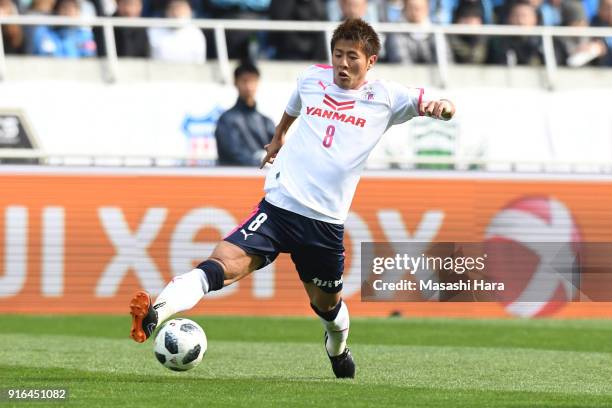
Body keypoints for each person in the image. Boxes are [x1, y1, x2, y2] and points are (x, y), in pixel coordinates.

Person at [129, 18, 455, 379]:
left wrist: (441, 107)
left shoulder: (387, 97)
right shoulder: (312, 78)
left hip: (324, 223)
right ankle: (157, 311)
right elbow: (294, 105)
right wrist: (278, 136)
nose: (343, 64)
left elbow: (426, 100)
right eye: (338, 55)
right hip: (280, 206)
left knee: (327, 307)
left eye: (352, 58)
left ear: (371, 61)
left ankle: (338, 346)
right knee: (220, 263)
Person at [215, 62, 275, 167]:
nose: (248, 87)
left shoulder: (266, 122)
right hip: (235, 179)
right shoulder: (226, 120)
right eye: (244, 81)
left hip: (264, 180)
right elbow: (231, 154)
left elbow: (277, 151)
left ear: (257, 83)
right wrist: (259, 161)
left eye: (252, 81)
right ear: (235, 82)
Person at [30, 0, 97, 58]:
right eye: (64, 7)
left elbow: (89, 56)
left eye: (72, 7)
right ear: (56, 10)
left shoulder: (86, 36)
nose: (68, 11)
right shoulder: (44, 33)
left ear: (78, 11)